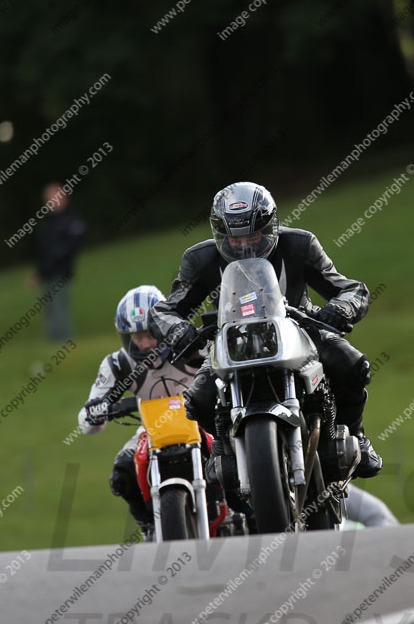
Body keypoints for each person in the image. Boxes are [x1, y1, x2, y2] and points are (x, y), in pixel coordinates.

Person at [148, 181, 382, 484]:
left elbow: (350, 289)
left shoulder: (300, 245)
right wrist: (178, 330)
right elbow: (164, 310)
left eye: (253, 235)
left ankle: (355, 435)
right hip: (230, 340)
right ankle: (224, 449)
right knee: (199, 399)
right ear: (220, 233)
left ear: (271, 226)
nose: (244, 245)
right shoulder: (200, 259)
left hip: (302, 328)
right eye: (234, 239)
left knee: (353, 366)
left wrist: (341, 309)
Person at [77, 285, 203, 540]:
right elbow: (87, 422)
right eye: (136, 337)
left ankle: (252, 508)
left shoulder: (193, 347)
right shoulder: (118, 364)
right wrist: (96, 412)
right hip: (151, 430)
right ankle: (149, 524)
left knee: (233, 454)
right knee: (122, 470)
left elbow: (225, 370)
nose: (144, 344)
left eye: (150, 334)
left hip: (202, 421)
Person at [32, 183, 85, 341]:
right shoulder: (50, 222)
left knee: (59, 306)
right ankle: (53, 339)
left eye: (53, 198)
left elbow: (70, 246)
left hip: (61, 271)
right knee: (50, 307)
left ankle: (64, 339)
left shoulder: (71, 220)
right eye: (48, 199)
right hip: (48, 272)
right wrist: (40, 271)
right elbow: (43, 249)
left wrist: (51, 262)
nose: (50, 202)